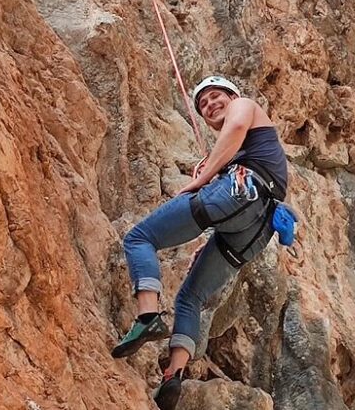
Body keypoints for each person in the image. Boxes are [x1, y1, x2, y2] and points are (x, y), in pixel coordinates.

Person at [112, 76, 289, 410]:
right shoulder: (249, 149)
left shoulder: (244, 105)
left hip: (241, 194)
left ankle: (147, 317)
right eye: (203, 104)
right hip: (254, 228)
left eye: (215, 96)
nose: (210, 104)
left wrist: (202, 177)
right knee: (191, 297)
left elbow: (236, 127)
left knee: (140, 238)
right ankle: (173, 377)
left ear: (232, 95)